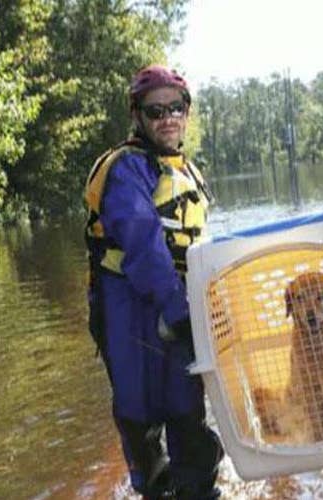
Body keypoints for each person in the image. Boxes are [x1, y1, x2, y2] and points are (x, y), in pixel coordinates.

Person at [84, 64, 223, 499]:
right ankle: (155, 488)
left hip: (178, 306)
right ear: (137, 115)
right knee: (139, 410)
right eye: (155, 109)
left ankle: (200, 489)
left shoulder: (188, 172)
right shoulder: (126, 170)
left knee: (187, 409)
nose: (167, 118)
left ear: (187, 112)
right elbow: (144, 246)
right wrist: (178, 311)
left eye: (176, 108)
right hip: (129, 310)